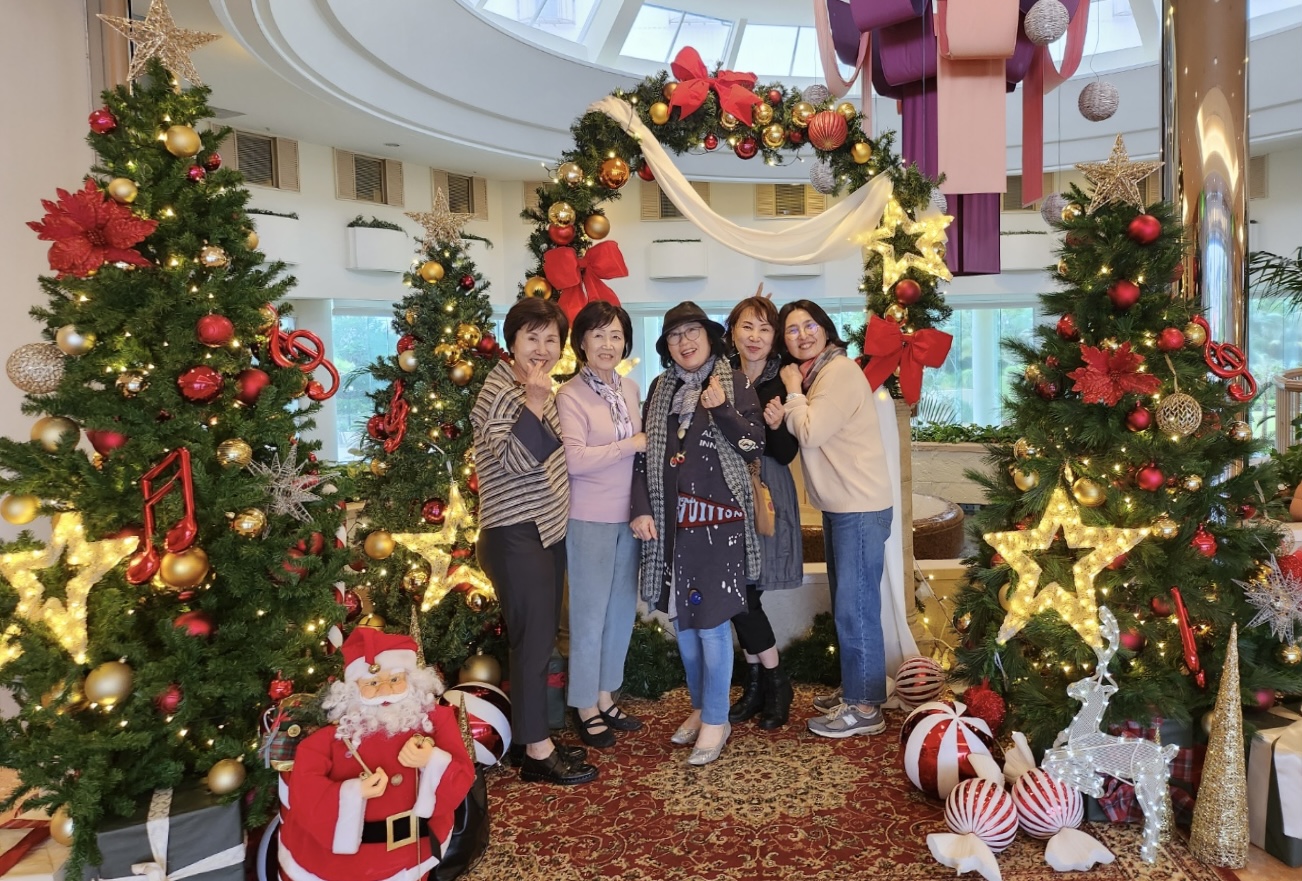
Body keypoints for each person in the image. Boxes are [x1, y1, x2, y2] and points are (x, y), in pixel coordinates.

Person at [631, 301, 764, 766]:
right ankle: (702, 706)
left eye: (693, 332)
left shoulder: (736, 382)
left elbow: (754, 444)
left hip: (720, 527)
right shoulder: (660, 389)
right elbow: (644, 456)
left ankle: (716, 718)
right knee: (683, 626)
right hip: (672, 526)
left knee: (711, 625)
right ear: (667, 346)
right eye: (675, 335)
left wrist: (722, 408)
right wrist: (640, 507)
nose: (684, 342)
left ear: (709, 338)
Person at [471, 297, 597, 785]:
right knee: (533, 644)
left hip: (543, 531)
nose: (542, 349)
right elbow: (515, 461)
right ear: (513, 342)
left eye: (551, 339)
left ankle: (533, 741)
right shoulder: (501, 390)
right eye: (532, 338)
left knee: (538, 642)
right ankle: (537, 754)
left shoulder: (532, 387)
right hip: (515, 533)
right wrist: (537, 402)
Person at [778, 299, 895, 739]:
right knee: (850, 603)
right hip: (845, 504)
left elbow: (810, 431)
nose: (803, 335)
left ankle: (865, 708)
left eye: (810, 325)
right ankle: (857, 688)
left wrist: (792, 390)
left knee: (855, 608)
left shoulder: (838, 372)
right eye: (792, 330)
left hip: (858, 507)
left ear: (826, 329)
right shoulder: (821, 374)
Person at [278, 628, 477, 881]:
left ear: (411, 679)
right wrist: (353, 792)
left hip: (417, 847)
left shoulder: (436, 720)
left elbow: (463, 774)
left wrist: (432, 761)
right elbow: (304, 790)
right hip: (354, 862)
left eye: (394, 679)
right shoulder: (332, 737)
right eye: (372, 683)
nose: (385, 690)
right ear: (353, 689)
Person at [555, 301, 645, 748]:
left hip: (629, 517)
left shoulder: (630, 388)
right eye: (598, 335)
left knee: (621, 613)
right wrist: (631, 444)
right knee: (589, 616)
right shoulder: (569, 395)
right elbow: (574, 460)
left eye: (616, 335)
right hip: (588, 517)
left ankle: (607, 695)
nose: (608, 344)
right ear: (582, 343)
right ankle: (584, 705)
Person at [723, 293, 801, 730]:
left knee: (746, 591)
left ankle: (769, 682)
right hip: (725, 491)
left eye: (764, 329)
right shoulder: (720, 375)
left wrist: (775, 426)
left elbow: (787, 454)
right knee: (739, 589)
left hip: (765, 491)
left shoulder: (782, 380)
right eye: (747, 327)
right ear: (733, 332)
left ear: (774, 338)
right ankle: (764, 684)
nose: (754, 337)